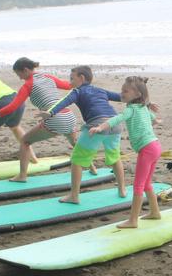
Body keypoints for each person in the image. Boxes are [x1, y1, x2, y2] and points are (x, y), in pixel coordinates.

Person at [0, 57, 96, 181]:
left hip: (56, 119)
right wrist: (86, 84)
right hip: (69, 116)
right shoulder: (47, 76)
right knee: (75, 143)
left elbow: (12, 107)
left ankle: (22, 176)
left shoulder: (28, 85)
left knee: (25, 141)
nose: (20, 78)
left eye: (19, 74)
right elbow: (69, 85)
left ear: (26, 70)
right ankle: (92, 168)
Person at [39, 66, 125, 203]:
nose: (70, 82)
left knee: (77, 160)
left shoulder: (77, 91)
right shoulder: (100, 90)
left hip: (96, 125)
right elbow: (122, 97)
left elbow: (64, 102)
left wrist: (50, 112)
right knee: (115, 157)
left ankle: (74, 196)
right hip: (115, 124)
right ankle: (122, 190)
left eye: (72, 78)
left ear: (82, 78)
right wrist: (142, 99)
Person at [90, 76, 161, 228]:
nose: (122, 93)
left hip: (147, 149)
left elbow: (116, 119)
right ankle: (155, 212)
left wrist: (100, 128)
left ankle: (133, 220)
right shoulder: (143, 108)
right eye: (122, 90)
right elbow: (154, 120)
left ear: (137, 95)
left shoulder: (131, 109)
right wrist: (152, 118)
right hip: (155, 146)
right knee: (147, 183)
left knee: (138, 186)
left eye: (125, 91)